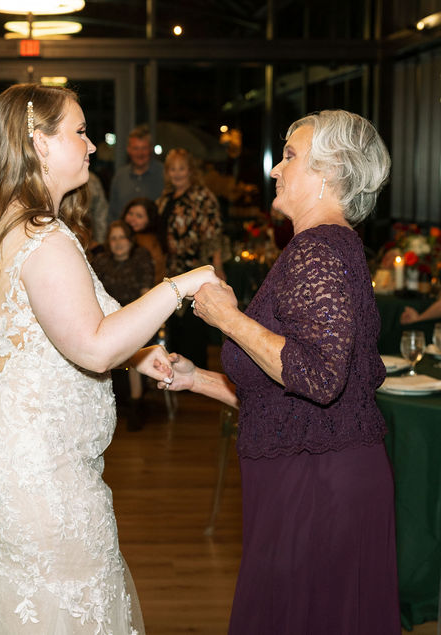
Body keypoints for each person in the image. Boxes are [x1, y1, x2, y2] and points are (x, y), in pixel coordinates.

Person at [0, 83, 218, 634]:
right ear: (39, 142)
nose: (90, 146)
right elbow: (91, 344)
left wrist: (141, 355)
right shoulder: (42, 234)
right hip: (33, 474)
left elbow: (67, 325)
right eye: (79, 132)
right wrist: (180, 285)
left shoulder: (7, 222)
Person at [158, 110, 399, 634]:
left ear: (327, 174)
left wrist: (228, 318)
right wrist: (195, 377)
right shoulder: (329, 247)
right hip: (315, 470)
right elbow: (290, 399)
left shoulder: (316, 250)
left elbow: (319, 378)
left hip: (317, 488)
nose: (275, 169)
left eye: (290, 156)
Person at [156, 147, 224, 369]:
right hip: (170, 268)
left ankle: (196, 377)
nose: (177, 173)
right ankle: (175, 373)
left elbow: (214, 235)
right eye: (172, 169)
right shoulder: (165, 198)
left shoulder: (203, 197)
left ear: (191, 171)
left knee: (194, 326)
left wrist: (219, 266)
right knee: (173, 325)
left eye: (181, 169)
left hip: (196, 268)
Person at [91, 220, 157, 430]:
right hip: (107, 320)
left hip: (137, 319)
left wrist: (132, 320)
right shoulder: (101, 261)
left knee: (132, 348)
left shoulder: (141, 257)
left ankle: (136, 405)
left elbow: (147, 294)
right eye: (113, 238)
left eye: (122, 238)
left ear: (130, 240)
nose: (118, 243)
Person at [107, 125, 165, 222]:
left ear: (151, 149)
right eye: (136, 148)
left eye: (144, 148)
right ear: (128, 150)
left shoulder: (164, 174)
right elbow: (112, 214)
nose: (140, 153)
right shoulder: (120, 176)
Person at [122, 196, 165, 285]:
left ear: (149, 220)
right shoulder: (122, 234)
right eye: (130, 213)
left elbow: (157, 275)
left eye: (139, 216)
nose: (132, 219)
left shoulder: (148, 242)